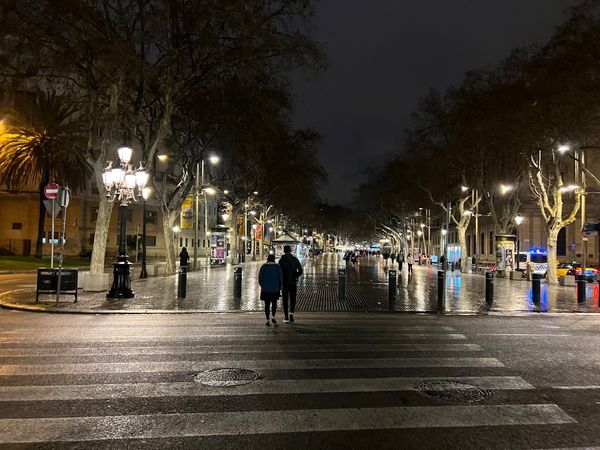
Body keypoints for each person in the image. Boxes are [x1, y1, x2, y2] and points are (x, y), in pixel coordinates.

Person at [279, 245, 303, 323]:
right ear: (290, 250)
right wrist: (296, 275)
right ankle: (291, 313)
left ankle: (286, 316)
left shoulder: (281, 260)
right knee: (293, 299)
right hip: (293, 282)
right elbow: (300, 270)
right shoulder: (295, 259)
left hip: (285, 283)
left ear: (284, 251)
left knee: (285, 300)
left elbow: (280, 272)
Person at [259, 254, 282, 326]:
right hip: (275, 289)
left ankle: (267, 319)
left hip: (265, 289)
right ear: (274, 259)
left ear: (268, 259)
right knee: (274, 303)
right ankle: (273, 316)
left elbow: (260, 279)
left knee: (267, 304)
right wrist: (280, 287)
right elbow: (281, 278)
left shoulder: (263, 267)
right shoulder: (277, 267)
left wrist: (263, 285)